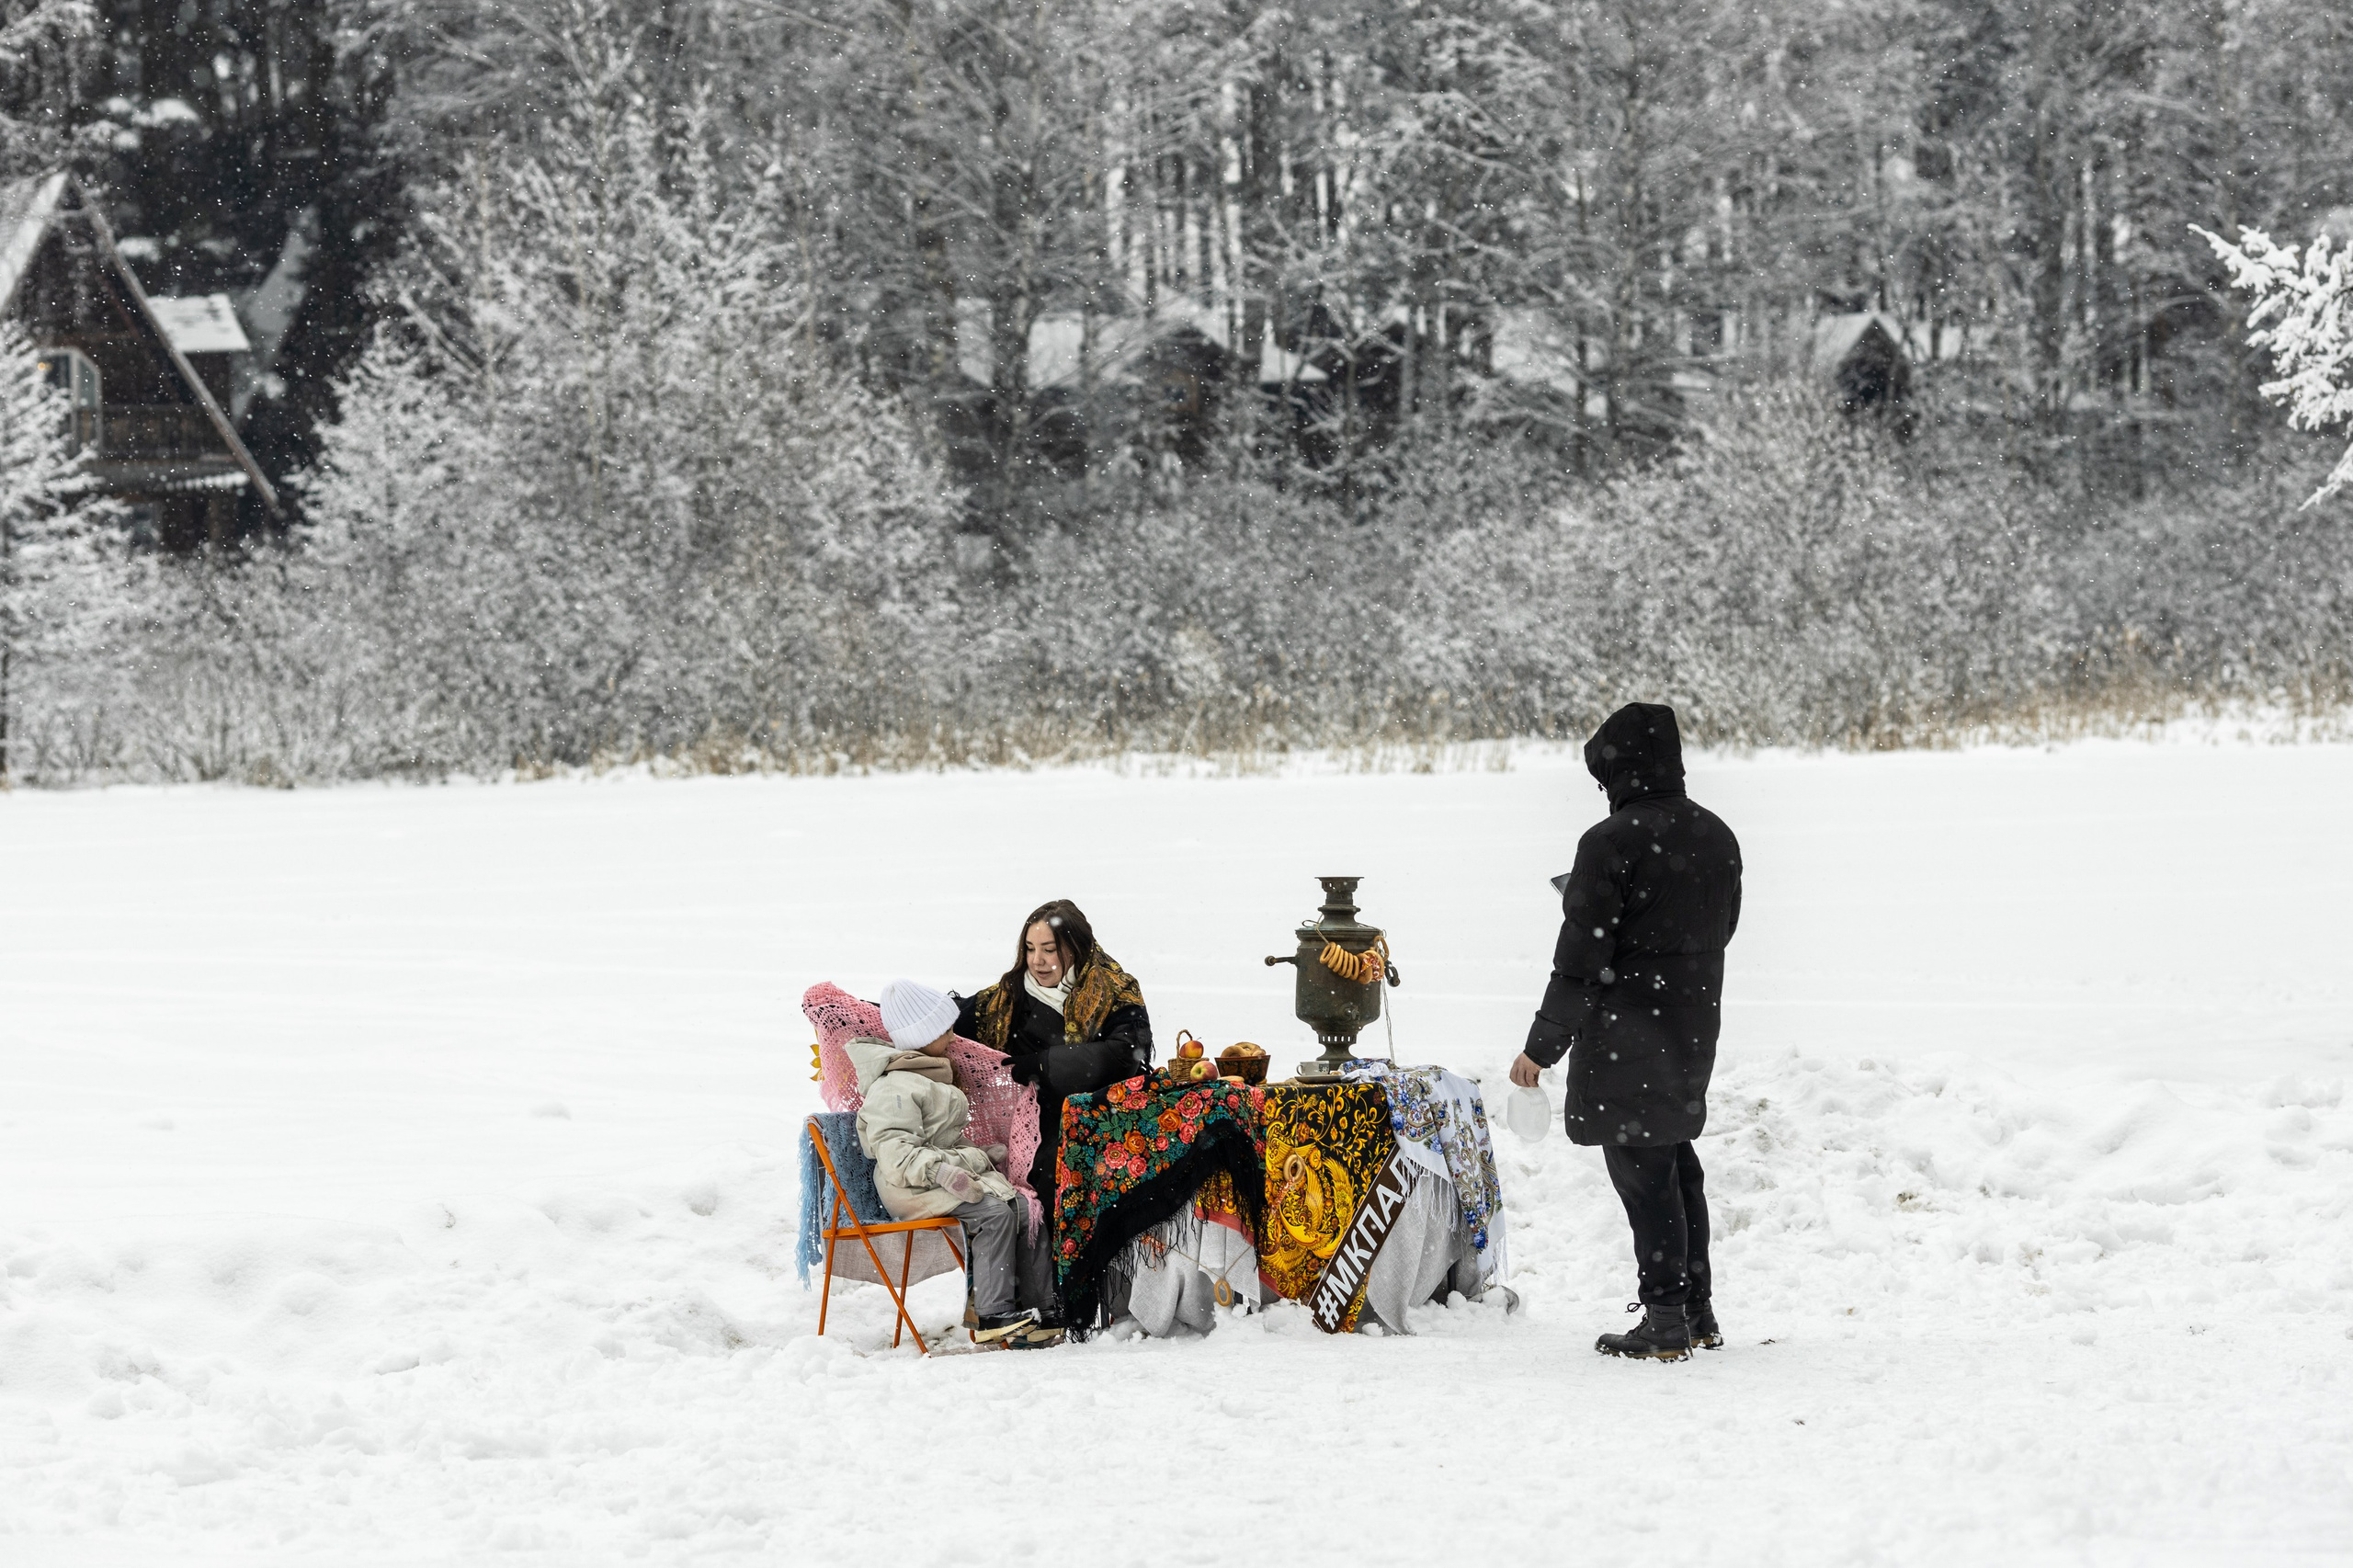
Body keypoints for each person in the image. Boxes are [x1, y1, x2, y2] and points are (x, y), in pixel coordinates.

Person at [1509, 703, 1742, 1361]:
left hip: (1627, 1031)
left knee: (1645, 1175)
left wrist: (1540, 1048)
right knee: (1675, 1163)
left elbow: (1580, 963)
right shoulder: (1717, 835)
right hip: (1693, 1020)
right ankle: (1696, 1310)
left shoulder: (1608, 844)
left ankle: (1665, 1320)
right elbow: (1719, 927)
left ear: (1617, 770)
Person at [847, 978, 1062, 1349]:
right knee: (994, 1213)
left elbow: (942, 1139)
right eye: (943, 1029)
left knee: (1025, 1208)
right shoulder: (894, 1087)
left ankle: (1040, 1309)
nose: (951, 1037)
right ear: (921, 1036)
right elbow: (896, 1153)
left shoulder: (930, 1077)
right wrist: (942, 1172)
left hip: (940, 1179)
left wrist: (980, 1156)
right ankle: (992, 1313)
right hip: (910, 1186)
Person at [953, 900, 1154, 1204]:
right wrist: (873, 1012)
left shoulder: (1115, 989)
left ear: (1076, 947)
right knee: (1048, 1172)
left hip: (1111, 1113)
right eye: (1030, 949)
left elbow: (1125, 1053)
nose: (1037, 961)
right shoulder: (1009, 998)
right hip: (1042, 1127)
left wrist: (1043, 1065)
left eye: (1049, 949)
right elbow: (943, 1019)